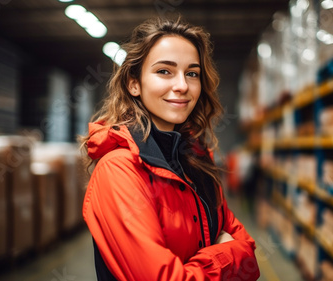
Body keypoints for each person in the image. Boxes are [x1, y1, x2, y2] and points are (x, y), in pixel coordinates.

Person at [81, 17, 260, 281]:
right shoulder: (119, 170)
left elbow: (249, 252)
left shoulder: (198, 159)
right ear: (134, 83)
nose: (182, 86)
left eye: (192, 73)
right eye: (164, 71)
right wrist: (226, 256)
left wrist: (232, 252)